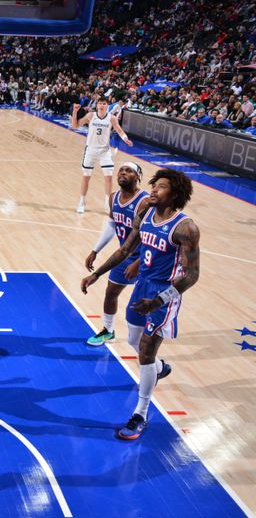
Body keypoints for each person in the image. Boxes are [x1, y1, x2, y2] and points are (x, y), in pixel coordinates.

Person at [81, 168, 200, 440]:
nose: (154, 191)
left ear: (176, 193)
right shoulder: (145, 214)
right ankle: (159, 369)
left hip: (164, 293)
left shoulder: (185, 227)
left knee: (145, 351)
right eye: (154, 185)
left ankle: (140, 414)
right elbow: (125, 250)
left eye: (162, 187)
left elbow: (191, 275)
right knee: (133, 341)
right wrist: (96, 274)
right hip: (142, 285)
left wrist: (159, 300)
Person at [84, 162, 150, 346]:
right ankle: (108, 331)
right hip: (124, 254)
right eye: (121, 170)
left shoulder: (144, 202)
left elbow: (149, 236)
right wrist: (95, 250)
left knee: (145, 300)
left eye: (129, 170)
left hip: (146, 259)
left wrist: (137, 264)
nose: (123, 172)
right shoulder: (113, 197)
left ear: (138, 177)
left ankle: (148, 335)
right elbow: (112, 225)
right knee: (111, 292)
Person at [71, 96, 134, 214]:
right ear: (97, 105)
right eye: (99, 103)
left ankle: (107, 202)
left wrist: (126, 139)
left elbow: (119, 130)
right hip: (91, 150)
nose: (101, 105)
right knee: (86, 177)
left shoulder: (112, 118)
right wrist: (75, 111)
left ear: (107, 106)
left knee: (108, 177)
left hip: (105, 151)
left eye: (104, 103)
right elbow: (75, 126)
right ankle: (82, 201)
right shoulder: (91, 115)